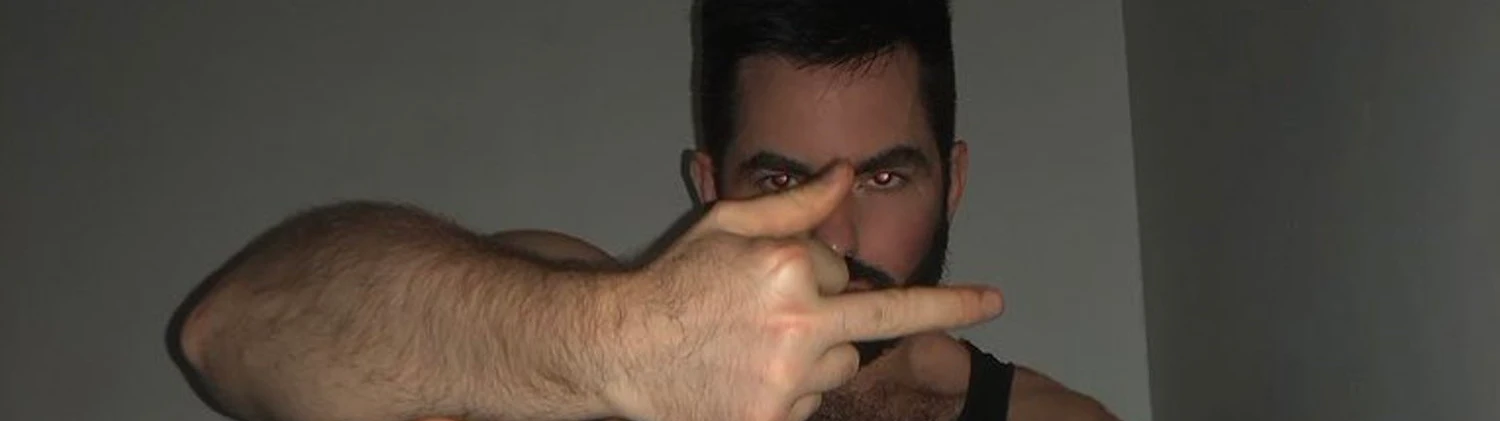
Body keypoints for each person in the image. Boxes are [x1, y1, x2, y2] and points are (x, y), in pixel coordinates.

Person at [169, 1, 1118, 420]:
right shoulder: (582, 327)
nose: (835, 237)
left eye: (883, 179)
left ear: (952, 182)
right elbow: (229, 334)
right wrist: (623, 342)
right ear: (710, 187)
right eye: (782, 182)